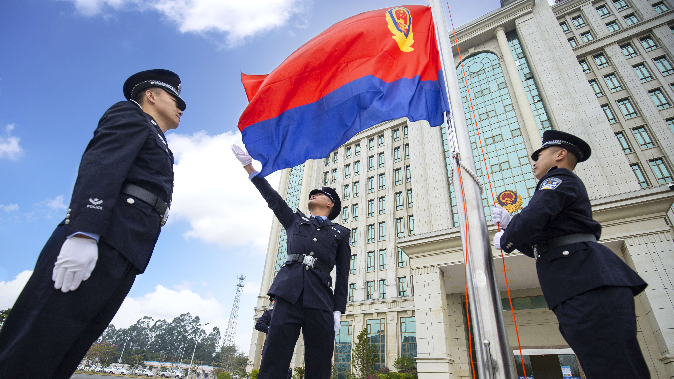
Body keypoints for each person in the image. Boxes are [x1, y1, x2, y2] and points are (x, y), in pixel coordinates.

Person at [0, 69, 185, 379]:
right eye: (175, 99)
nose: (182, 107)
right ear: (150, 95)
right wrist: (84, 233)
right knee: (38, 342)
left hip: (126, 247)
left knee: (69, 346)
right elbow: (102, 166)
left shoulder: (159, 140)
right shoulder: (129, 114)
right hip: (101, 237)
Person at [492, 130, 649, 379]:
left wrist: (510, 234)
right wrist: (512, 226)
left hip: (587, 281)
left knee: (612, 366)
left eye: (540, 154)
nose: (534, 161)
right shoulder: (557, 184)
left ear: (560, 154)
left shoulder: (559, 178)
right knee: (600, 364)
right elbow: (542, 244)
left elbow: (536, 215)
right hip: (577, 281)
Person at [232, 144, 350, 379]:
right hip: (288, 295)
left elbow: (343, 277)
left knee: (319, 362)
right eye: (311, 193)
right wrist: (249, 167)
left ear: (330, 204)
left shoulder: (340, 233)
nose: (313, 194)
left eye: (320, 194)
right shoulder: (295, 221)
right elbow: (273, 199)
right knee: (274, 358)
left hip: (320, 301)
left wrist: (338, 311)